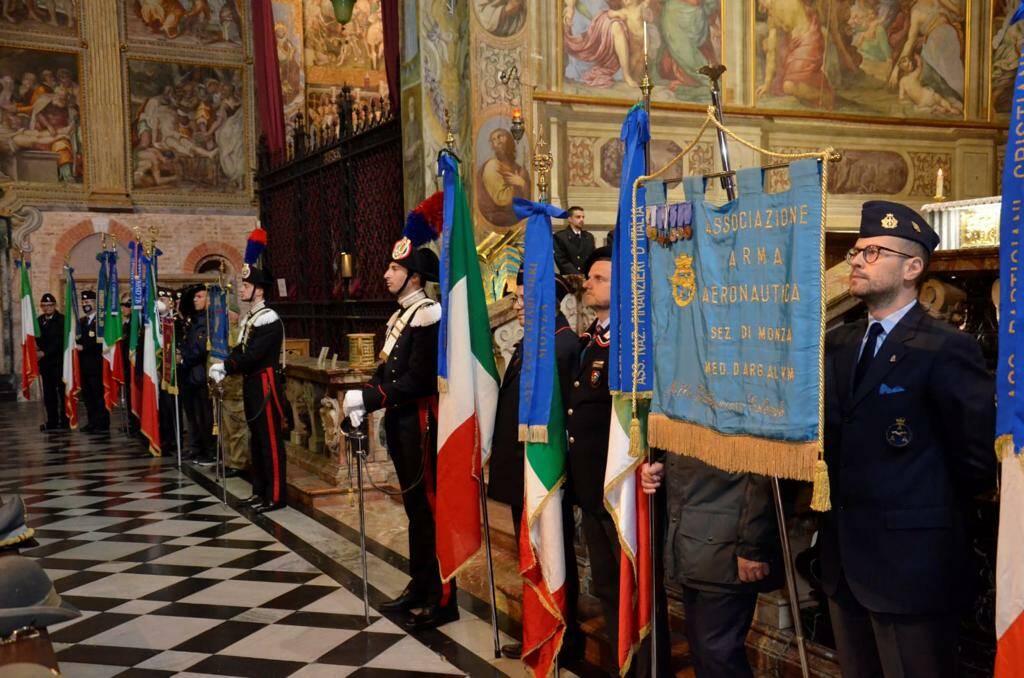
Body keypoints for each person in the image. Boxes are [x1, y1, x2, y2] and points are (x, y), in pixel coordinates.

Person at [820, 200, 996, 677]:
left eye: (873, 252)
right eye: (857, 251)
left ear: (912, 267)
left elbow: (975, 461)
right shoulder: (838, 343)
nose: (855, 260)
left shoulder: (946, 348)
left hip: (913, 568)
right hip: (845, 566)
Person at [341, 233, 458, 632]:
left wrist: (371, 399)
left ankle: (443, 598)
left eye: (395, 269)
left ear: (414, 277)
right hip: (402, 423)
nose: (387, 274)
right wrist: (361, 399)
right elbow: (386, 372)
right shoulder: (402, 315)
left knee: (428, 511)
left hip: (421, 424)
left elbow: (419, 380)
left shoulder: (427, 313)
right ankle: (420, 584)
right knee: (414, 513)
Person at [487, 269, 581, 661]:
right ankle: (537, 632)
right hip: (519, 470)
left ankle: (562, 637)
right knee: (530, 552)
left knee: (553, 553)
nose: (517, 305)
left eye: (525, 299)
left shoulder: (562, 346)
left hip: (543, 473)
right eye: (517, 298)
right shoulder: (535, 342)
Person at [639, 458, 781, 677]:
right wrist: (663, 466)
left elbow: (767, 470)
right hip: (691, 536)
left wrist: (754, 544)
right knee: (703, 651)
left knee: (718, 654)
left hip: (728, 542)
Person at [210, 233, 287, 514]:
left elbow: (253, 355)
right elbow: (241, 349)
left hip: (265, 385)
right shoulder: (251, 318)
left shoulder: (268, 319)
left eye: (247, 284)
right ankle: (260, 492)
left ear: (260, 290)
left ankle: (276, 495)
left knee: (270, 442)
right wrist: (226, 363)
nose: (242, 288)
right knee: (257, 440)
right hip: (252, 384)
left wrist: (227, 366)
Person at [180, 285, 216, 465]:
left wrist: (183, 357)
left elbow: (201, 348)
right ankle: (196, 447)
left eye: (200, 297)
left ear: (209, 300)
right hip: (189, 374)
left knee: (205, 415)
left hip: (200, 373)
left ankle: (208, 450)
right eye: (195, 297)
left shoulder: (209, 321)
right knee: (192, 414)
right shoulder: (194, 320)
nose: (195, 300)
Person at [76, 289, 108, 434]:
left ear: (95, 303)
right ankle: (92, 421)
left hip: (96, 365)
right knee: (88, 396)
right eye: (83, 302)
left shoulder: (100, 322)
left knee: (98, 395)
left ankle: (102, 423)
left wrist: (83, 346)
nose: (85, 305)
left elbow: (98, 342)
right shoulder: (81, 322)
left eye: (88, 302)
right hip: (83, 365)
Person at [37, 292, 66, 432]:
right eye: (45, 305)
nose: (48, 308)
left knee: (62, 392)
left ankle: (65, 420)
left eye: (50, 305)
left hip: (58, 363)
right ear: (41, 307)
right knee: (49, 395)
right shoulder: (39, 320)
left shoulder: (61, 320)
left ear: (55, 305)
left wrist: (44, 352)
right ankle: (52, 421)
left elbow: (59, 342)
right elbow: (36, 339)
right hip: (45, 365)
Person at [553, 206, 595, 277]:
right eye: (578, 217)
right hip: (570, 278)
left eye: (583, 217)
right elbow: (562, 261)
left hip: (588, 277)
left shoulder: (589, 237)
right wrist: (578, 276)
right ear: (570, 219)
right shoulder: (560, 236)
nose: (581, 219)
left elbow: (593, 258)